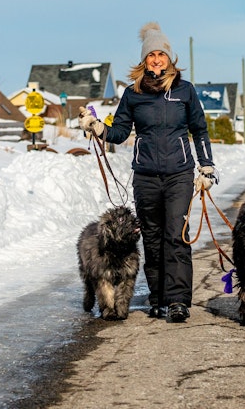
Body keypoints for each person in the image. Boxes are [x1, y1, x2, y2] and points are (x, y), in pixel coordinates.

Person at [79, 22, 217, 323]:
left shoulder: (185, 91)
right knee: (152, 239)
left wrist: (206, 166)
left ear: (170, 58)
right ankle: (158, 298)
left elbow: (199, 130)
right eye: (151, 54)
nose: (156, 59)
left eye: (161, 54)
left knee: (176, 237)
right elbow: (119, 132)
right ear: (144, 60)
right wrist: (98, 127)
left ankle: (178, 300)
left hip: (179, 174)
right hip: (145, 176)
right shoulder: (133, 94)